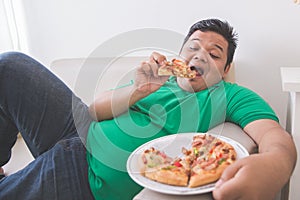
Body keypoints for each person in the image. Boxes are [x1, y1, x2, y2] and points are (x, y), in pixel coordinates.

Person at [0, 18, 296, 200]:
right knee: (10, 65)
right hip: (77, 129)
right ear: (180, 55)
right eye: (192, 47)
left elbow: (274, 136)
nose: (200, 56)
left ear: (226, 68)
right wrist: (137, 90)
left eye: (214, 54)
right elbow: (92, 111)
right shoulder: (154, 76)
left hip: (84, 170)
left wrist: (276, 166)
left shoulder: (229, 95)